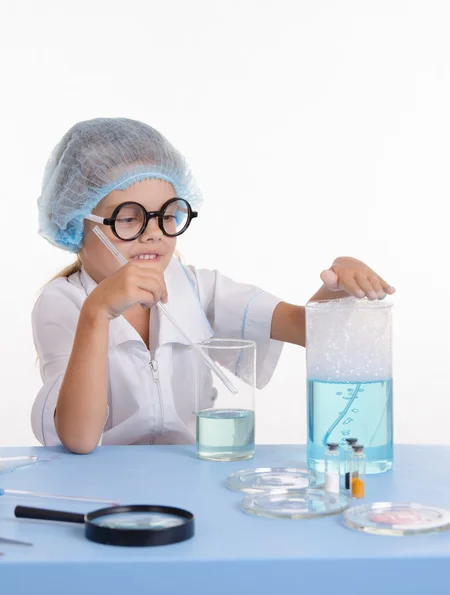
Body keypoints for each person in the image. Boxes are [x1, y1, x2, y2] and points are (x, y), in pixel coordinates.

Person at [31, 118, 395, 454]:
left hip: (191, 477)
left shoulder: (194, 287)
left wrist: (339, 284)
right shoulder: (64, 303)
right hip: (101, 487)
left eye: (168, 214)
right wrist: (97, 312)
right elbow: (78, 439)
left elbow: (306, 328)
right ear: (76, 225)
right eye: (129, 218)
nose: (154, 233)